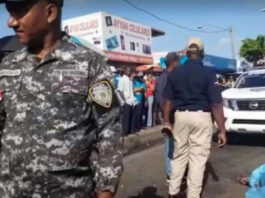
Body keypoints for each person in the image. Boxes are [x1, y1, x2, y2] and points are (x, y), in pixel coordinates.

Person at [0, 0, 123, 198]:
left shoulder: (90, 64)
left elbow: (109, 130)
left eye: (20, 12)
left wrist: (106, 190)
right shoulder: (7, 66)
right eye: (9, 13)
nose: (11, 22)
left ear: (50, 12)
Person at [163, 38, 227, 198]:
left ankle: (173, 192)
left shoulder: (175, 72)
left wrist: (166, 122)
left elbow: (167, 101)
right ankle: (193, 195)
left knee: (179, 156)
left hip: (181, 117)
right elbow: (216, 104)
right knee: (197, 160)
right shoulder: (208, 72)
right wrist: (222, 130)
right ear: (202, 53)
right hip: (201, 117)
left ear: (185, 52)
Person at [155, 52, 180, 181]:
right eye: (178, 62)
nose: (180, 64)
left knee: (173, 145)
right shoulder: (167, 78)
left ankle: (172, 172)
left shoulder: (162, 77)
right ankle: (170, 173)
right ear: (174, 62)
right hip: (169, 117)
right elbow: (163, 101)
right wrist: (167, 120)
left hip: (168, 116)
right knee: (170, 146)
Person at [118, 67, 135, 135]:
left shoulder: (130, 80)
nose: (129, 72)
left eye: (130, 71)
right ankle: (125, 132)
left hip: (131, 100)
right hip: (126, 101)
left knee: (130, 116)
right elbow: (120, 90)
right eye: (127, 70)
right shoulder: (122, 79)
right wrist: (124, 100)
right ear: (125, 71)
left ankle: (129, 130)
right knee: (126, 117)